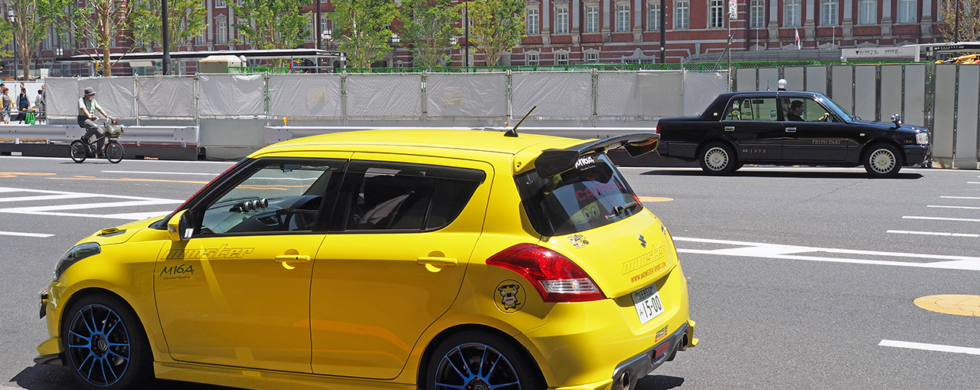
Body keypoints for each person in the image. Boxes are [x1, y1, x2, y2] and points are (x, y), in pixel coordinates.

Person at [78, 87, 113, 156]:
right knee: (94, 126)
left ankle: (99, 152)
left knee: (101, 134)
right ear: (87, 95)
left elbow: (99, 109)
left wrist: (106, 116)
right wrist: (89, 116)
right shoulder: (81, 100)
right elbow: (83, 108)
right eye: (92, 94)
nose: (93, 96)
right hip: (83, 119)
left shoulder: (93, 101)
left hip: (91, 119)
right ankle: (84, 139)